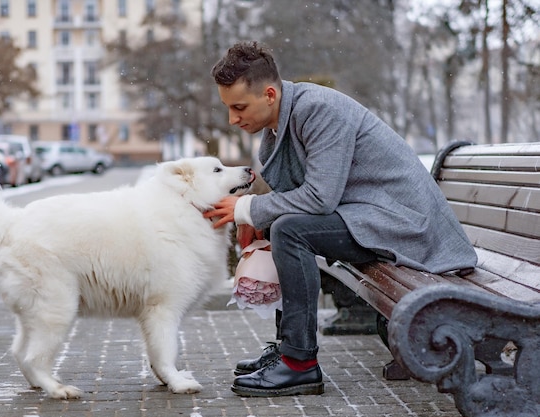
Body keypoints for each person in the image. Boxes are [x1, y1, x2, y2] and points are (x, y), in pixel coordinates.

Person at [204, 41, 477, 397]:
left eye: (239, 107)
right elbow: (298, 198)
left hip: (404, 224)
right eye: (228, 108)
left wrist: (247, 209)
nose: (233, 119)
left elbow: (319, 197)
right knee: (279, 224)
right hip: (369, 216)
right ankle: (288, 348)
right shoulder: (282, 122)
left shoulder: (317, 110)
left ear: (269, 94)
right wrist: (258, 214)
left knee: (289, 229)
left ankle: (300, 365)